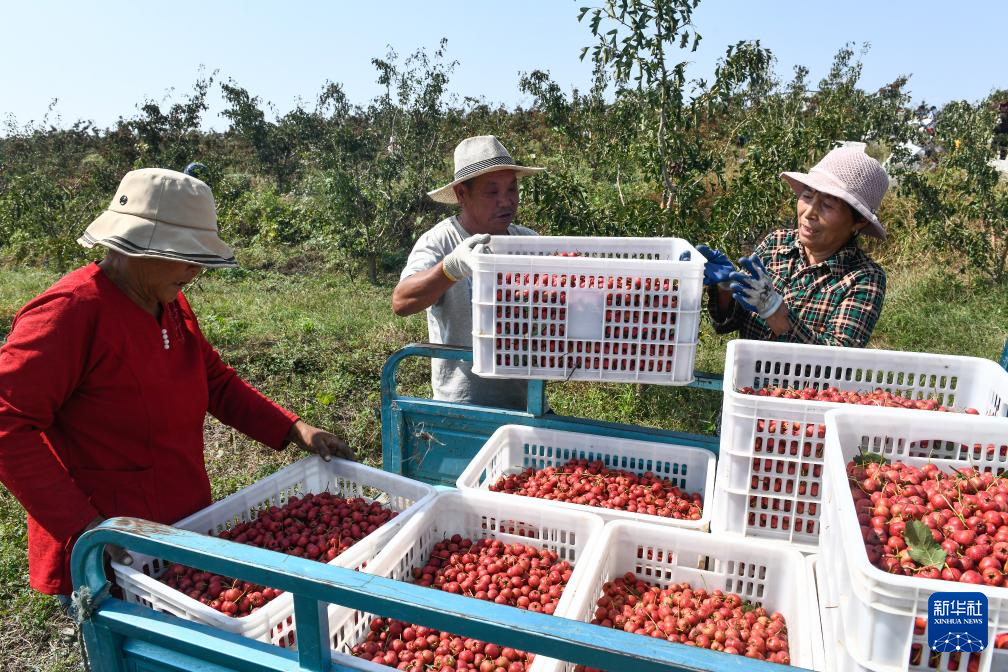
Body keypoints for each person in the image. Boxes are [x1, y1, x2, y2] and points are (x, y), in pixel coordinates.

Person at [0, 168, 352, 600]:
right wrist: (88, 527)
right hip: (111, 547)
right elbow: (7, 425)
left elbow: (215, 382)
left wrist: (295, 428)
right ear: (135, 245)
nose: (195, 269)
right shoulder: (70, 314)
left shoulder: (168, 301)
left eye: (200, 257)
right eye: (184, 255)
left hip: (180, 525)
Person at [392, 136, 544, 409]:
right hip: (464, 407)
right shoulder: (441, 242)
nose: (506, 201)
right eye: (492, 192)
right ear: (462, 194)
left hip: (526, 401)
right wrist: (451, 268)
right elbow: (401, 301)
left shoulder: (529, 243)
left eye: (512, 189)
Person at [697, 146, 889, 348]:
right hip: (746, 376)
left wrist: (774, 311)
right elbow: (729, 323)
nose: (809, 212)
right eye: (808, 195)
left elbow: (836, 360)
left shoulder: (864, 277)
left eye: (828, 205)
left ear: (858, 222)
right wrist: (727, 288)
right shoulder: (776, 243)